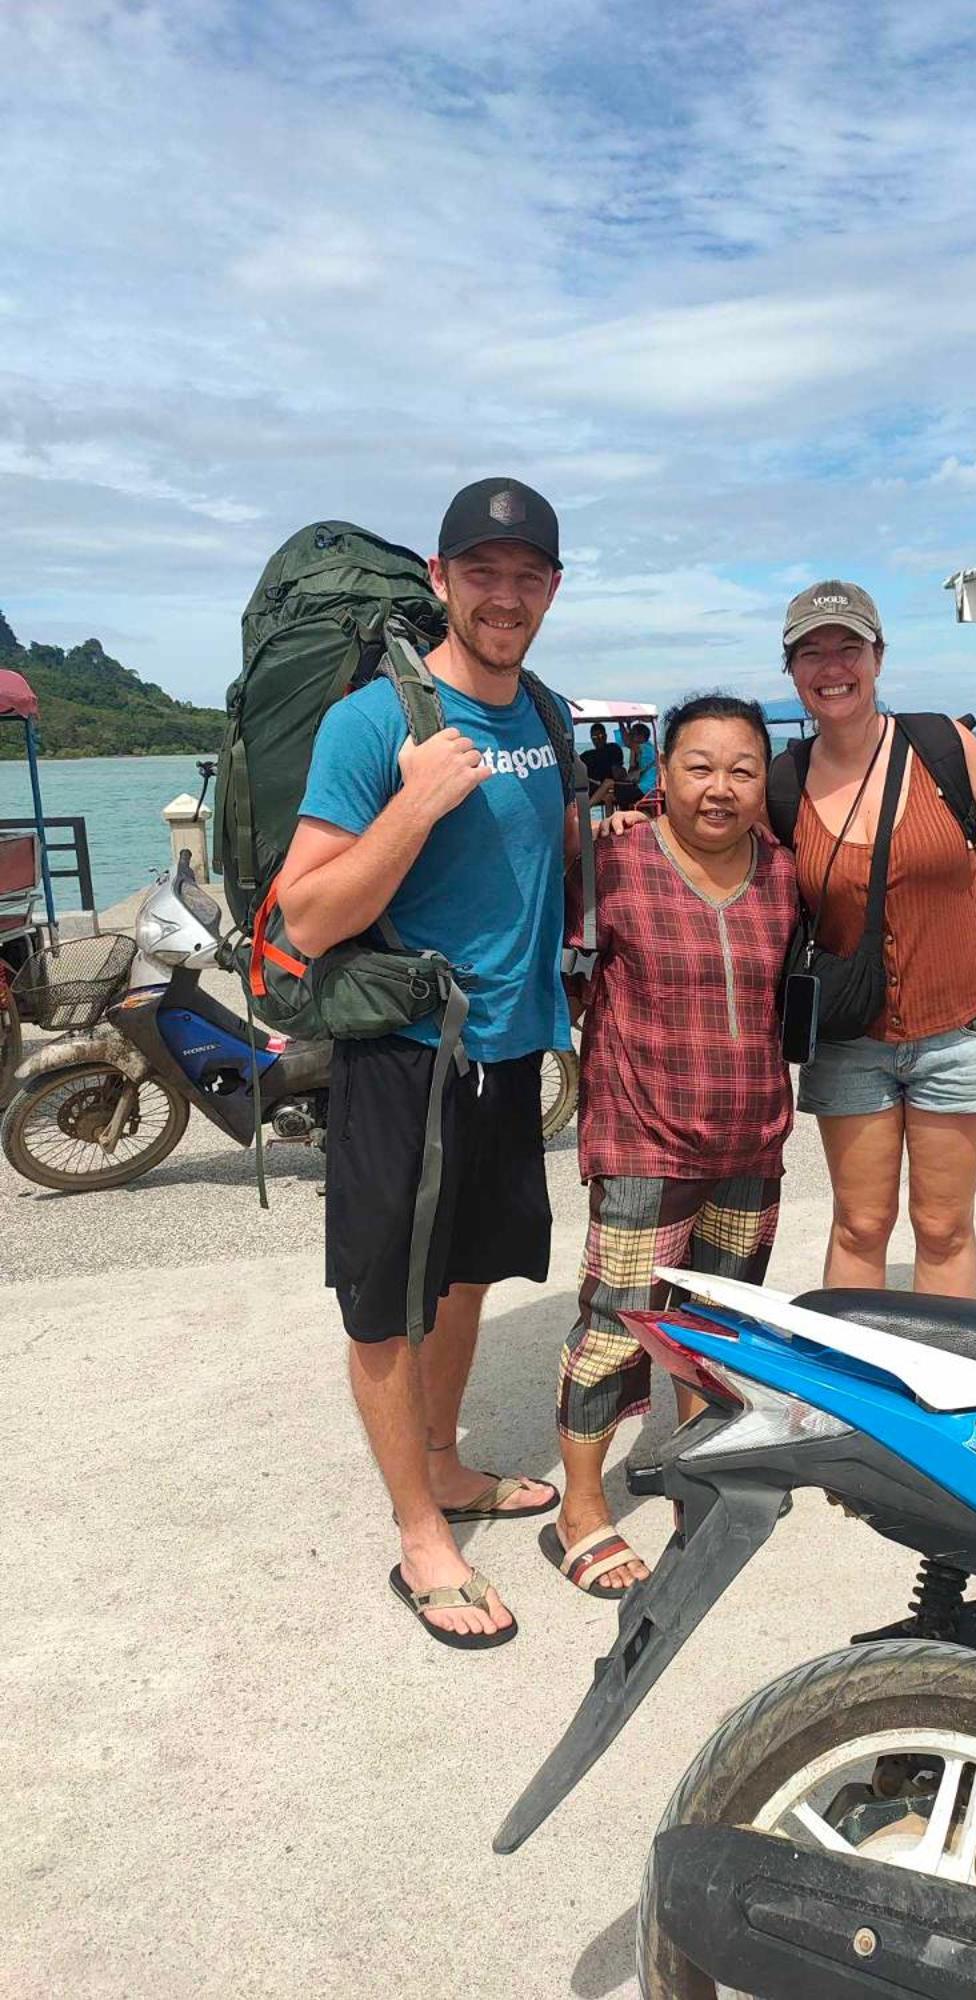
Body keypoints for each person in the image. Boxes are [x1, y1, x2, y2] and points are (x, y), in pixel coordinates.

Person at [279, 476, 573, 1651]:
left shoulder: (543, 714)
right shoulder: (374, 721)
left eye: (528, 574)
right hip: (406, 1058)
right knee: (385, 1308)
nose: (505, 595)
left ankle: (444, 1463)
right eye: (482, 572)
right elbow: (304, 914)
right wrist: (410, 809)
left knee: (465, 1278)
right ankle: (419, 1534)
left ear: (553, 588)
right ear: (441, 580)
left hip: (507, 1057)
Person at [550, 695, 797, 1596]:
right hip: (642, 1135)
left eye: (741, 769)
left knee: (717, 1328)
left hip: (753, 1134)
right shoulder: (611, 861)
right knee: (617, 1324)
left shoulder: (783, 871)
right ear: (663, 771)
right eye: (699, 766)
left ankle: (697, 1470)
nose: (721, 789)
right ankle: (582, 1507)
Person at [776, 579, 976, 1298]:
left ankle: (941, 1401)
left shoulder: (941, 746)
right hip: (850, 1037)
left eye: (848, 647)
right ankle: (856, 1397)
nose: (833, 667)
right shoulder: (783, 781)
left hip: (964, 1034)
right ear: (792, 670)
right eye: (812, 652)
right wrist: (626, 825)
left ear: (878, 657)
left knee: (944, 1227)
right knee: (859, 1226)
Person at [581, 720, 625, 806]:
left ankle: (587, 807)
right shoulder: (587, 755)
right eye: (594, 738)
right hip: (593, 787)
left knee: (608, 792)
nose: (598, 740)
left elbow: (617, 772)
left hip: (613, 786)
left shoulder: (613, 749)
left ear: (605, 736)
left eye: (600, 736)